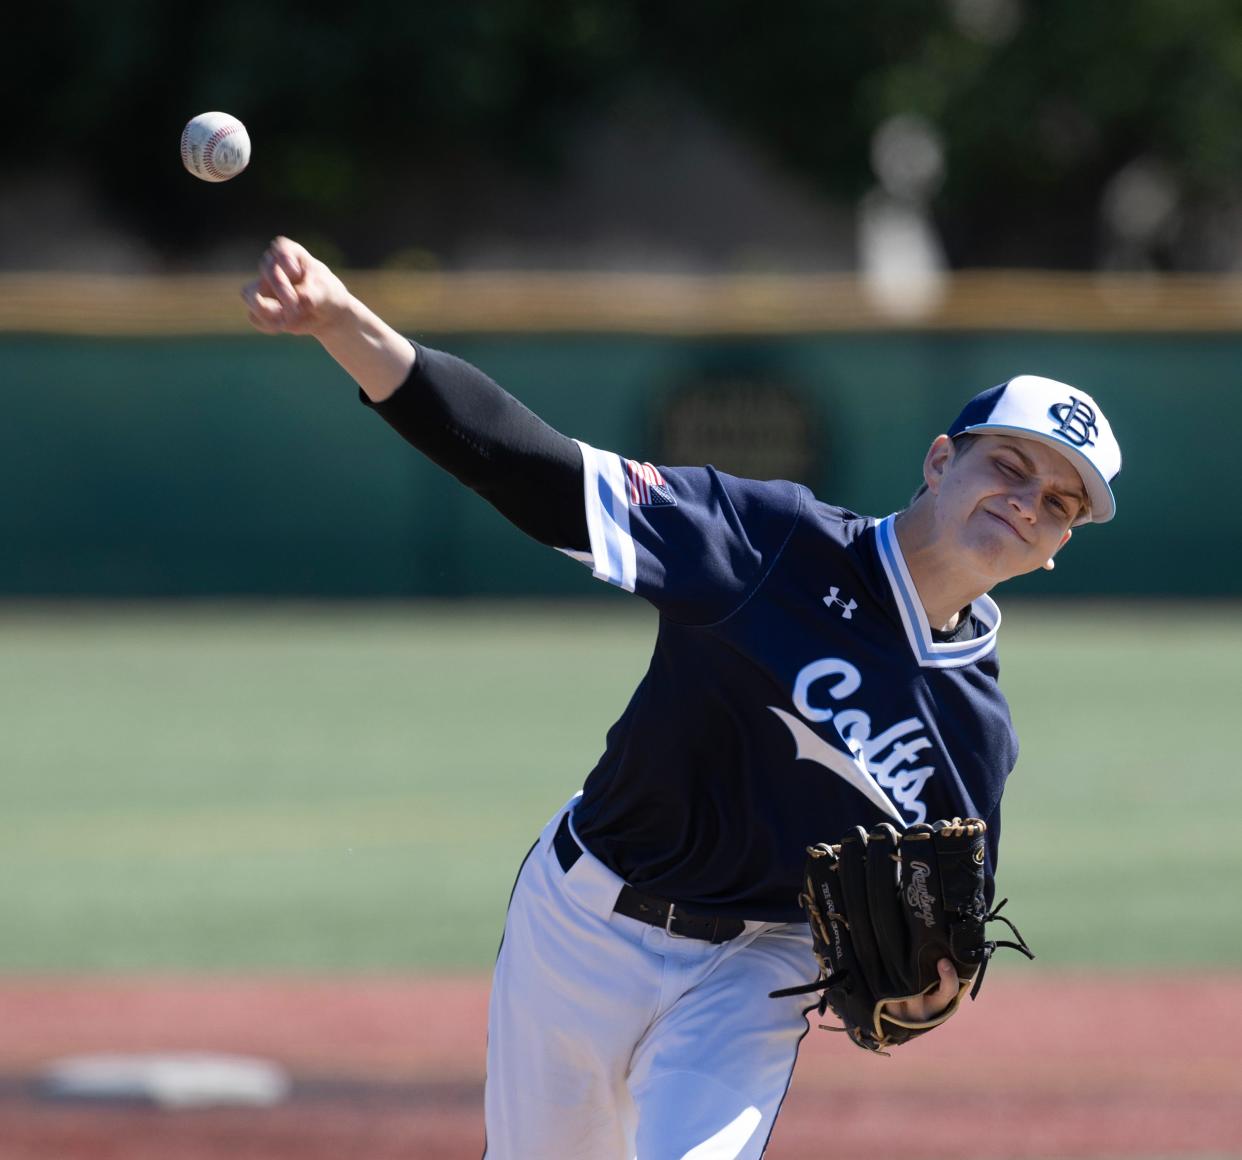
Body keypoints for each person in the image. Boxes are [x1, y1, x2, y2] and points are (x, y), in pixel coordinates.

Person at [242, 237, 1122, 1159]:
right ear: (942, 461)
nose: (1028, 503)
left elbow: (934, 953)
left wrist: (921, 999)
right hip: (582, 921)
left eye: (1060, 503)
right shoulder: (766, 542)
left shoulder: (975, 736)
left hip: (755, 970)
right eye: (1010, 466)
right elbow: (528, 466)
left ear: (1057, 548)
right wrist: (344, 322)